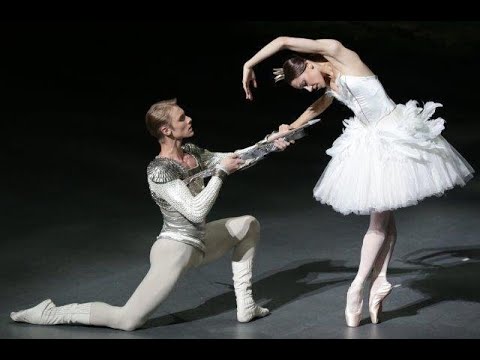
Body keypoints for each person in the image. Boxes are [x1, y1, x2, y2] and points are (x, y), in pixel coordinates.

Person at [242, 36, 474, 327]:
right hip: (369, 142)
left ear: (311, 64)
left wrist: (249, 64)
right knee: (385, 218)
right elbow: (319, 106)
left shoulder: (340, 54)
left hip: (394, 136)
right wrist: (290, 128)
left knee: (379, 222)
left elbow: (283, 40)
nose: (310, 88)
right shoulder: (330, 86)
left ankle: (357, 286)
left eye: (306, 82)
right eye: (303, 89)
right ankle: (381, 281)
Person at [10, 98, 290, 331]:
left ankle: (247, 306)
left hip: (200, 241)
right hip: (175, 248)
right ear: (167, 130)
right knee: (128, 320)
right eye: (182, 118)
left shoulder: (192, 152)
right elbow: (196, 210)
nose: (189, 119)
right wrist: (220, 173)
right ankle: (50, 313)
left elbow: (234, 158)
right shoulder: (159, 171)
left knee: (247, 225)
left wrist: (270, 142)